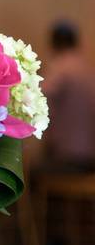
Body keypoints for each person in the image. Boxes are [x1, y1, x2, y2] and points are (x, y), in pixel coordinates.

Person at [42, 21, 95, 172]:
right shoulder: (88, 68)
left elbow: (42, 101)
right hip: (90, 153)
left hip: (65, 154)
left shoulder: (59, 67)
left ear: (55, 42)